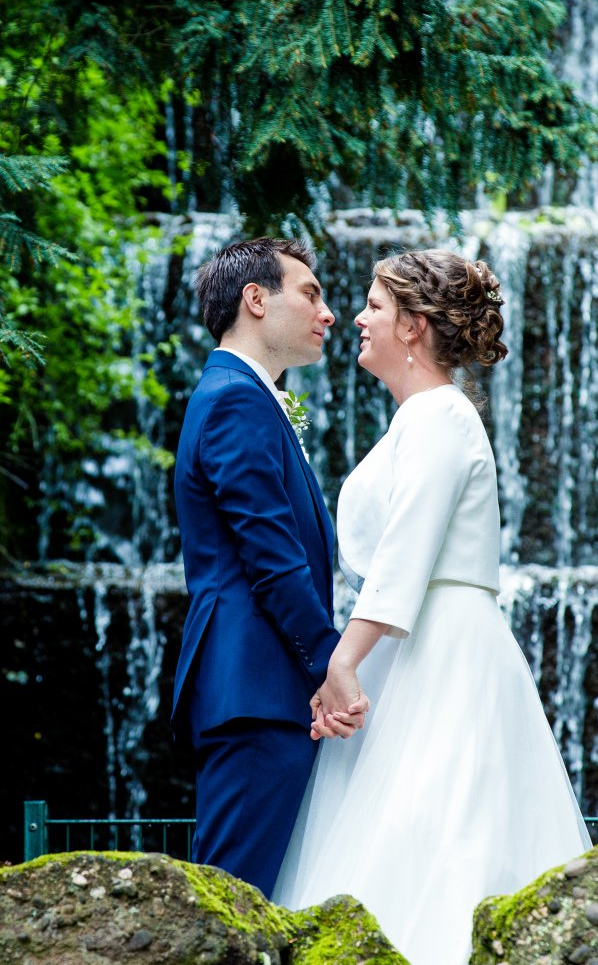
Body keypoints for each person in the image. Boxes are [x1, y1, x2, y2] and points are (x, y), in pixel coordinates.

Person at [273, 248, 592, 965]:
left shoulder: (441, 416)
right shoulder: (420, 417)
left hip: (440, 646)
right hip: (407, 646)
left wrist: (339, 664)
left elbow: (406, 556)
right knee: (409, 821)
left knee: (444, 822)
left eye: (375, 307)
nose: (356, 317)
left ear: (412, 328)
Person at [171, 237, 368, 899]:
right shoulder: (235, 399)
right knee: (230, 906)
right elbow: (271, 557)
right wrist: (330, 669)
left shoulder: (241, 395)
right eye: (310, 293)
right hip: (256, 689)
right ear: (255, 299)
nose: (330, 314)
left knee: (248, 903)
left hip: (259, 688)